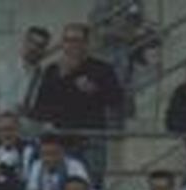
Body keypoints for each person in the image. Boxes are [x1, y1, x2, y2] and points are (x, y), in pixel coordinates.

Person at [33, 23, 124, 179]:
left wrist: (95, 91)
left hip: (90, 138)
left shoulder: (101, 69)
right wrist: (61, 78)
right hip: (61, 139)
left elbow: (116, 99)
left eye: (76, 40)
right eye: (67, 40)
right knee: (60, 185)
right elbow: (40, 107)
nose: (71, 45)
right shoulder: (53, 70)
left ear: (86, 44)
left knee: (92, 183)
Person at [0, 25, 50, 123]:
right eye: (32, 42)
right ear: (24, 42)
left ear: (44, 49)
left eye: (40, 46)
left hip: (29, 133)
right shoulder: (4, 69)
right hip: (3, 130)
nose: (34, 48)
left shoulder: (45, 78)